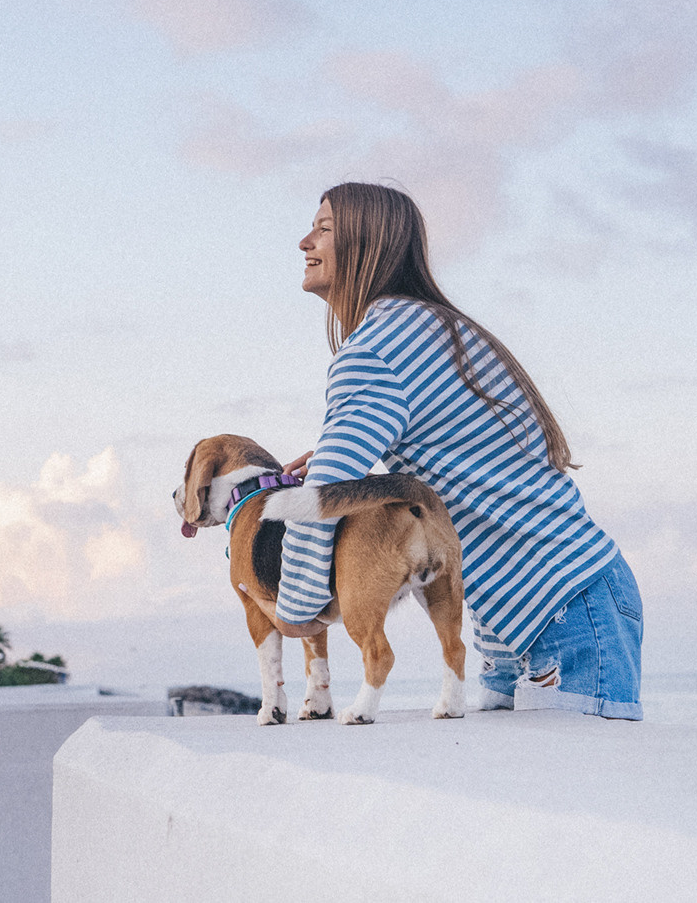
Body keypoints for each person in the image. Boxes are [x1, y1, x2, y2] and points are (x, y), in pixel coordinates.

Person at [272, 182, 643, 718]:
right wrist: (354, 448)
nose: (305, 241)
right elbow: (461, 443)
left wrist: (296, 608)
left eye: (324, 229)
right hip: (539, 606)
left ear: (367, 245)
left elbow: (325, 492)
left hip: (558, 604)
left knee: (572, 793)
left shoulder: (375, 349)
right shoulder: (428, 327)